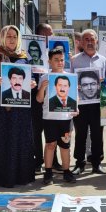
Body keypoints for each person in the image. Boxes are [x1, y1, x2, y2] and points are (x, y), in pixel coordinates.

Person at [0, 25, 36, 188]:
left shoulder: (24, 57)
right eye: (8, 36)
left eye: (14, 36)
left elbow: (31, 77)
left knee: (20, 138)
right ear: (2, 38)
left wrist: (33, 83)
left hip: (20, 109)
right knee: (1, 139)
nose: (12, 40)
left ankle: (21, 175)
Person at [70, 29, 106, 175]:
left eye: (92, 39)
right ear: (81, 42)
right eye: (86, 39)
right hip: (80, 104)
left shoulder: (104, 61)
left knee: (97, 134)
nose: (89, 42)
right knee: (80, 134)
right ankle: (79, 163)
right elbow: (68, 81)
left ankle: (96, 163)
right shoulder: (74, 60)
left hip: (98, 104)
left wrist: (103, 83)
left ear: (97, 41)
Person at [36, 49, 76, 184]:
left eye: (62, 60)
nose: (60, 62)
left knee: (65, 145)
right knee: (50, 144)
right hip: (49, 118)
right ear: (49, 61)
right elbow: (39, 100)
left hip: (66, 118)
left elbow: (75, 99)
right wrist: (42, 88)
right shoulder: (44, 77)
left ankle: (67, 172)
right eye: (56, 60)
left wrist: (77, 109)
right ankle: (48, 172)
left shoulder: (71, 77)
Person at [32, 23, 61, 174]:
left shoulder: (56, 51)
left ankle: (54, 161)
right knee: (36, 131)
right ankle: (38, 161)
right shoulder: (31, 50)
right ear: (40, 34)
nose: (51, 36)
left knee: (52, 131)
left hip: (53, 96)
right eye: (48, 33)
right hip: (35, 96)